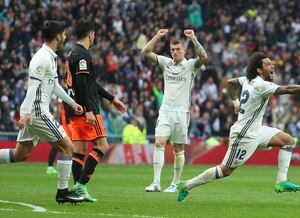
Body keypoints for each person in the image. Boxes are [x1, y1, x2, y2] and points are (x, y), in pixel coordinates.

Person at [176, 52, 300, 202]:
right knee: (225, 170)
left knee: (287, 140)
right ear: (259, 70)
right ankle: (186, 185)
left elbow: (230, 83)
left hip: (256, 130)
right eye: (268, 64)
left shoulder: (248, 80)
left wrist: (236, 104)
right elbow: (289, 89)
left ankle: (281, 181)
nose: (272, 66)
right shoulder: (261, 85)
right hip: (244, 135)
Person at [0, 20, 84, 204]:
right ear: (57, 36)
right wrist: (26, 112)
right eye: (63, 34)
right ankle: (62, 192)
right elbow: (32, 86)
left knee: (20, 154)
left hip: (34, 112)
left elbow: (53, 85)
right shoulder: (41, 58)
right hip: (37, 112)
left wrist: (71, 102)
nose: (65, 37)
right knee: (68, 147)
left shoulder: (50, 56)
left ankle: (63, 191)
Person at [65, 19, 127, 202]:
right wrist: (89, 110)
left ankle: (77, 190)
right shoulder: (83, 55)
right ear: (90, 34)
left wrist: (112, 99)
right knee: (102, 146)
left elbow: (90, 83)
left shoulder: (72, 53)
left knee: (80, 149)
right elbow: (84, 84)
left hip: (74, 108)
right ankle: (81, 185)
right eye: (94, 33)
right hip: (87, 108)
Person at [142, 29, 207, 192]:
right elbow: (145, 52)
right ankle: (156, 182)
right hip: (165, 111)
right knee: (159, 142)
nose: (175, 52)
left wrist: (193, 39)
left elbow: (204, 57)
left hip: (181, 112)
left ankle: (175, 182)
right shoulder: (166, 63)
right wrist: (157, 36)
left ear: (184, 50)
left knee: (178, 148)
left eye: (178, 49)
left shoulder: (191, 65)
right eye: (172, 49)